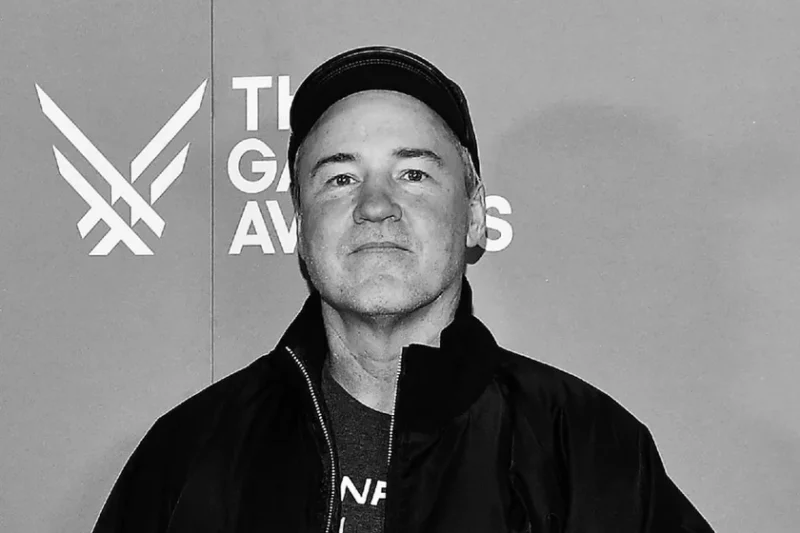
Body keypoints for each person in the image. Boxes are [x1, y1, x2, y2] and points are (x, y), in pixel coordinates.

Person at [93, 45, 714, 533]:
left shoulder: (586, 449)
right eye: (339, 178)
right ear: (300, 226)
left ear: (475, 215)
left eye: (413, 173)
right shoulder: (189, 454)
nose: (375, 205)